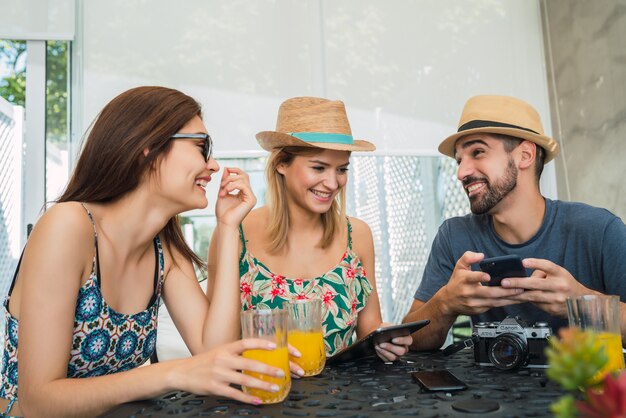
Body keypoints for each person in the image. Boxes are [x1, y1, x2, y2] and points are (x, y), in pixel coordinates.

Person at [0, 86, 296, 417]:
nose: (213, 165)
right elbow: (38, 403)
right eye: (202, 147)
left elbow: (216, 352)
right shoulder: (67, 227)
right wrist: (171, 373)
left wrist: (228, 229)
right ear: (149, 147)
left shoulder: (164, 246)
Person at [402, 95, 626, 351]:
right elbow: (410, 342)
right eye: (459, 160)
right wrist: (445, 303)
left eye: (478, 152)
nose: (461, 173)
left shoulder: (599, 230)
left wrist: (579, 303)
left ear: (525, 155)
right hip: (487, 391)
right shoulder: (454, 236)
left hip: (583, 388)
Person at [214, 96, 411, 361]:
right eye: (319, 167)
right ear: (281, 163)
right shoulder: (234, 233)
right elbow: (216, 347)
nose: (332, 183)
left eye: (341, 169)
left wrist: (386, 339)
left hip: (342, 397)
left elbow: (369, 330)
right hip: (263, 393)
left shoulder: (358, 235)